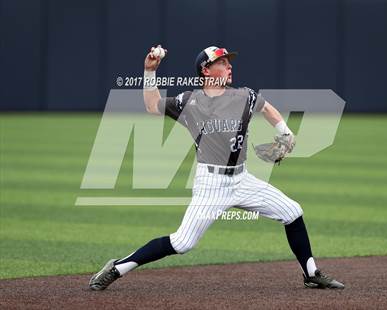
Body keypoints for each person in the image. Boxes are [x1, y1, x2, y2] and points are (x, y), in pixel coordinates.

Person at [89, 45, 344, 291]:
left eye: (228, 61)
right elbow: (151, 106)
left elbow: (266, 107)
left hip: (242, 180)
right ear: (206, 71)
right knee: (182, 242)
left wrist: (285, 133)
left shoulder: (244, 95)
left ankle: (311, 274)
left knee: (292, 211)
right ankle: (117, 267)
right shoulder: (189, 102)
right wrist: (149, 71)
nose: (228, 65)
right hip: (210, 184)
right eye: (221, 62)